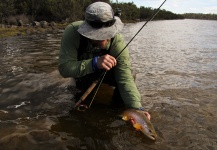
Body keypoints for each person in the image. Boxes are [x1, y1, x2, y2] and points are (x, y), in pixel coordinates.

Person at [58, 2, 150, 120]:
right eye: (98, 35)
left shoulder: (118, 42)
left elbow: (125, 78)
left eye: (108, 33)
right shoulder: (72, 33)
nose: (104, 38)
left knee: (127, 85)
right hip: (82, 73)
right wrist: (94, 63)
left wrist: (137, 108)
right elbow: (64, 69)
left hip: (107, 73)